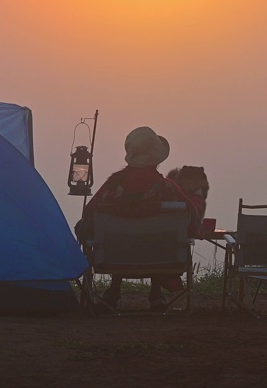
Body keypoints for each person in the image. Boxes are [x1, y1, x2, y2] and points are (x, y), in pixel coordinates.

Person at [79, 126, 197, 311]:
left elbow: (88, 214)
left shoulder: (110, 189)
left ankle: (114, 290)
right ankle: (156, 293)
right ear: (157, 160)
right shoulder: (168, 189)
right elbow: (193, 221)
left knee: (124, 240)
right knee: (157, 240)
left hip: (113, 259)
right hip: (161, 261)